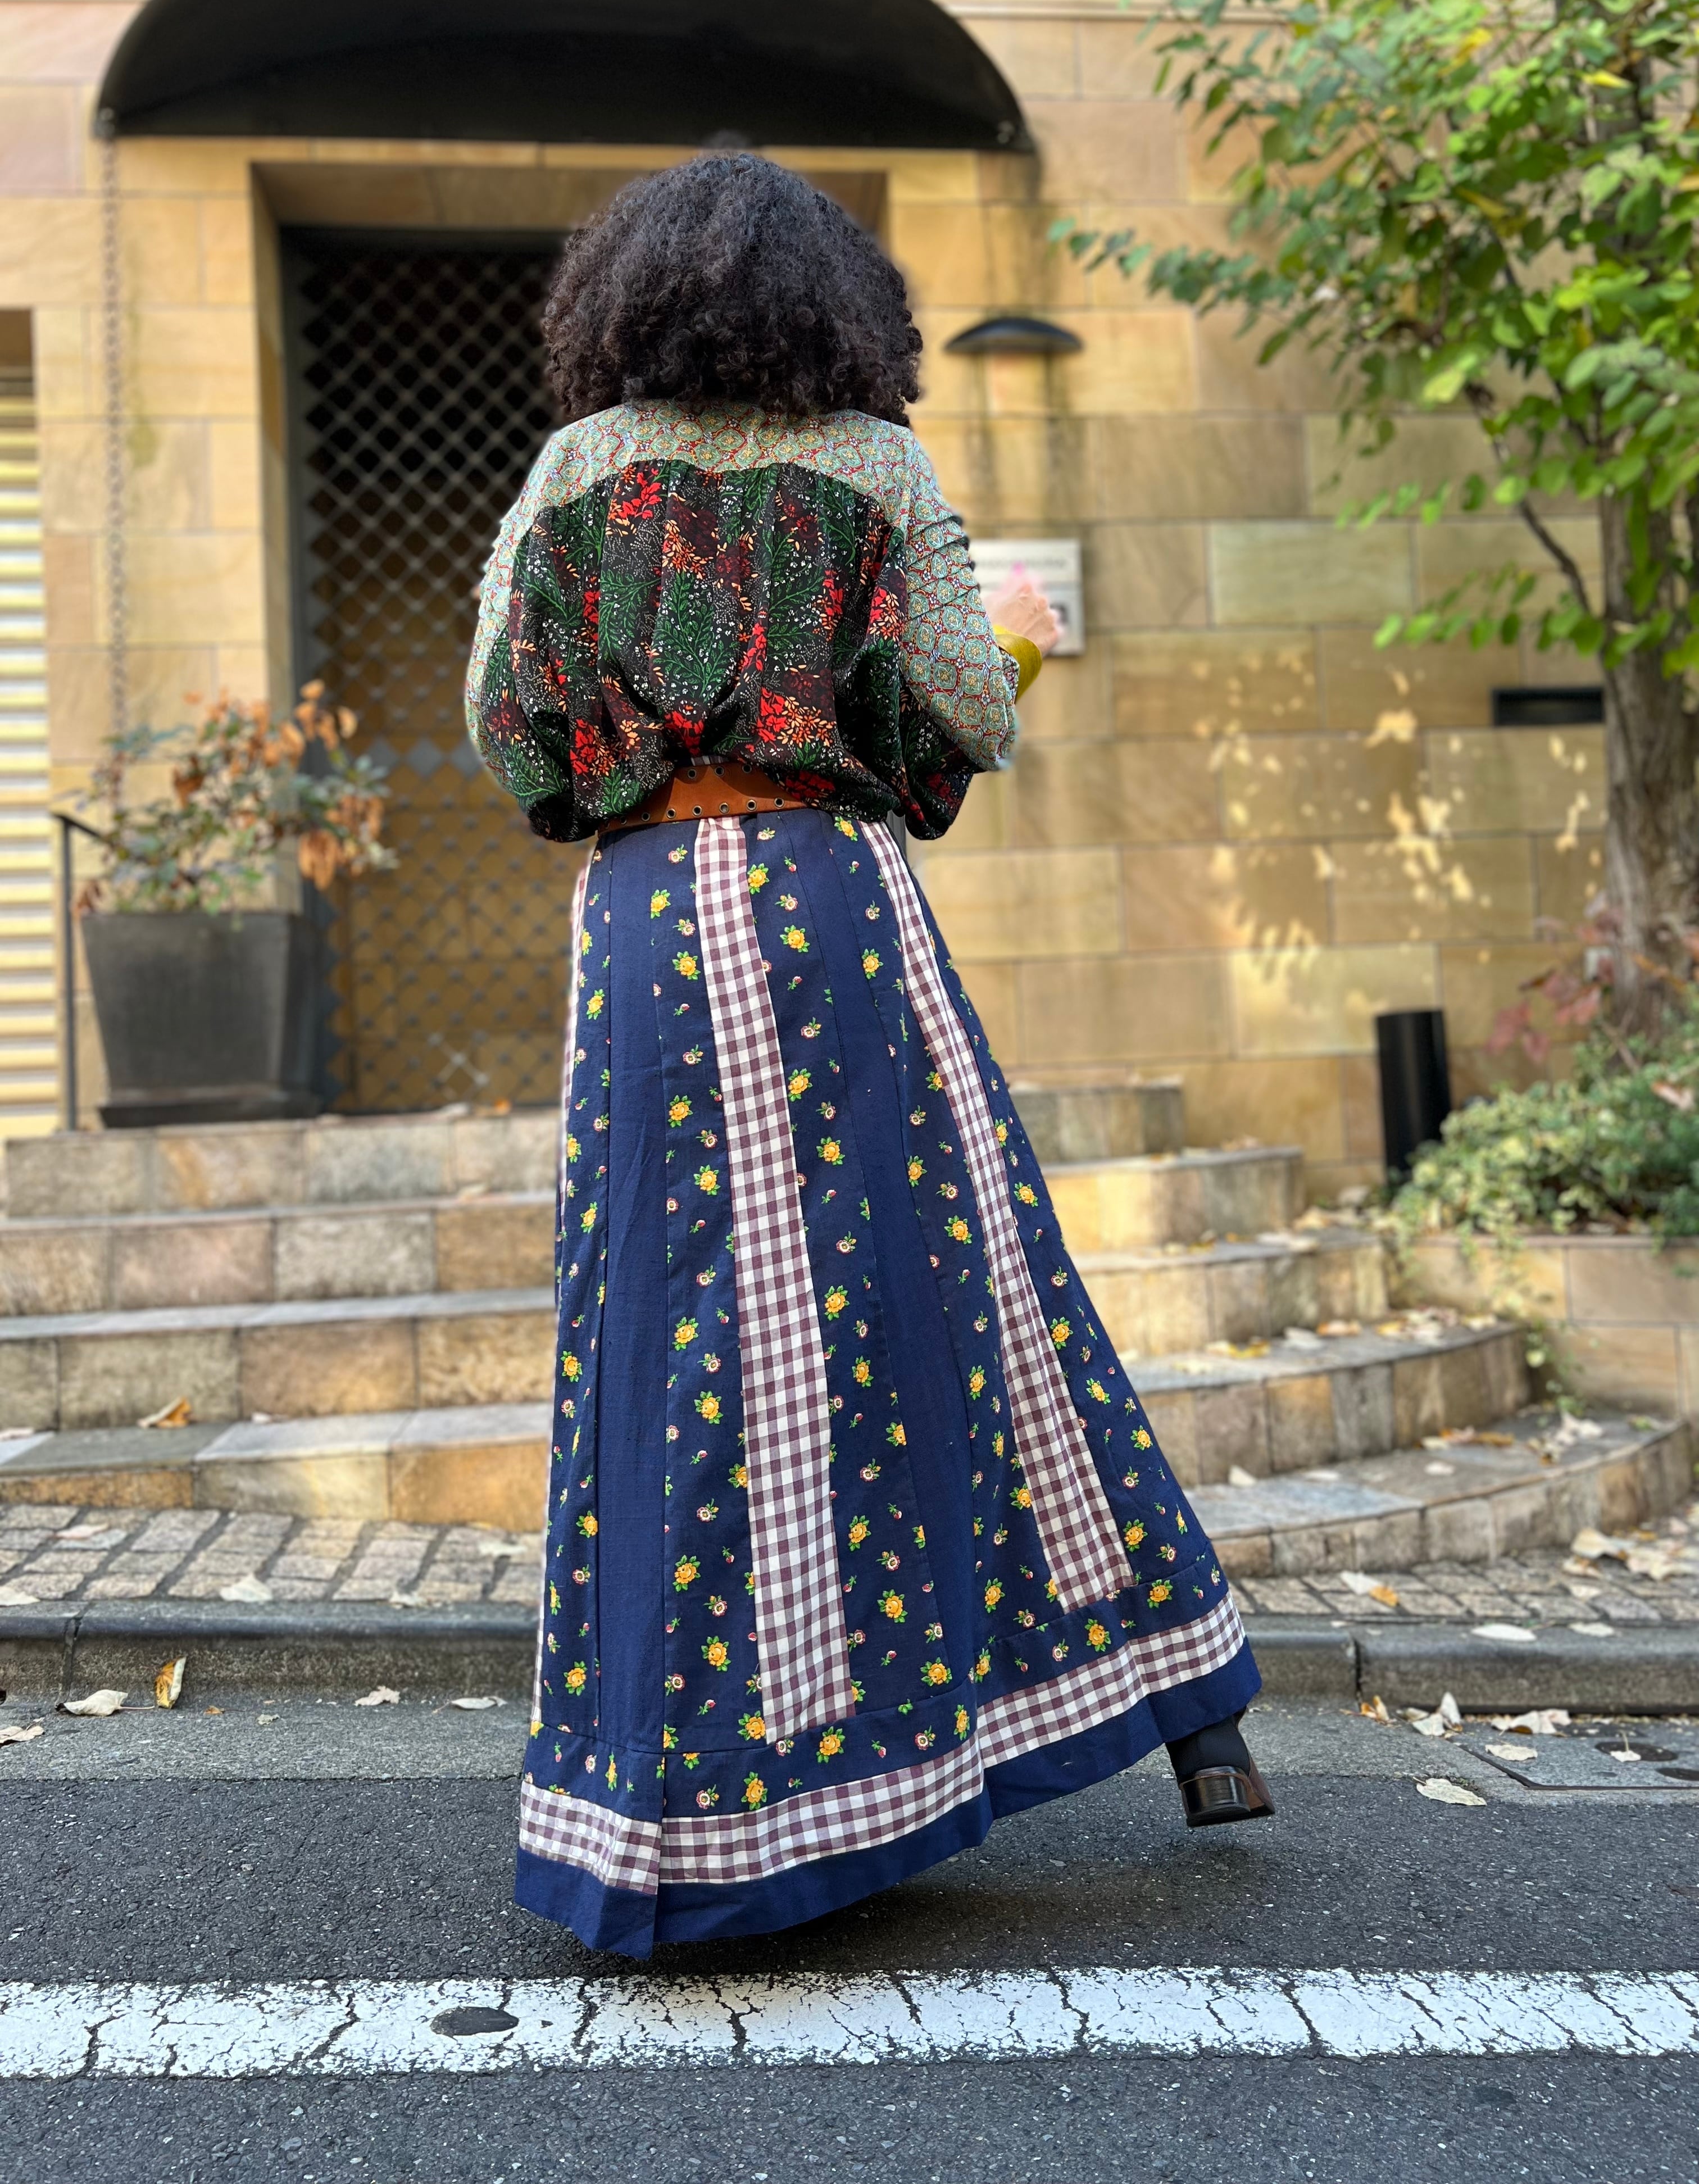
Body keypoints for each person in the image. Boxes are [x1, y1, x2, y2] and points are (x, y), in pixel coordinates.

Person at [465, 152, 1271, 1961]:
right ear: (836, 305)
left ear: (628, 300)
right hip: (839, 904)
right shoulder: (878, 467)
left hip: (657, 921)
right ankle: (1188, 1708)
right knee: (967, 1276)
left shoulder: (578, 471)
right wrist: (999, 662)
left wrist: (615, 764)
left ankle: (703, 1806)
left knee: (675, 1310)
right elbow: (966, 707)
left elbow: (500, 717)